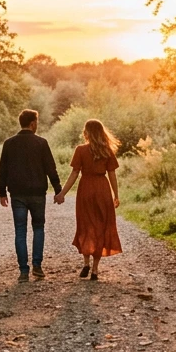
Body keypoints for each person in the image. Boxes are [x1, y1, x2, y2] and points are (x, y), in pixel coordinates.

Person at [54, 119, 122, 280]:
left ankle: (86, 263)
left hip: (85, 189)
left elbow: (74, 174)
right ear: (101, 132)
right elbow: (112, 175)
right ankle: (95, 269)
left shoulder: (80, 150)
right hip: (102, 189)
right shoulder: (107, 151)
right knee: (100, 227)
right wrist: (116, 195)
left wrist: (62, 193)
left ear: (87, 133)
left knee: (86, 226)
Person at [0, 109, 61, 281]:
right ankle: (37, 266)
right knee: (38, 228)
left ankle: (23, 271)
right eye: (37, 122)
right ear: (33, 123)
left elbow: (2, 169)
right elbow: (50, 168)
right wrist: (58, 190)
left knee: (20, 230)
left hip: (17, 194)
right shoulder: (41, 143)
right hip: (38, 193)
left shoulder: (9, 143)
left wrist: (2, 192)